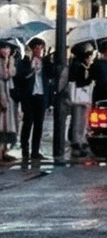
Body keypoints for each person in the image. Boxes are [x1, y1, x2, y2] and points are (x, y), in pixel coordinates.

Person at [15, 37, 57, 165]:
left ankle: (35, 150)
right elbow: (20, 77)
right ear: (32, 49)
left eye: (41, 48)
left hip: (41, 94)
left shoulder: (44, 62)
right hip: (29, 96)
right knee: (28, 123)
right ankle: (25, 149)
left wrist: (49, 62)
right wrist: (31, 67)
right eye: (37, 48)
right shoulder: (25, 62)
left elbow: (51, 75)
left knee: (39, 124)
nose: (39, 50)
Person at [66, 42, 95, 157]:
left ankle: (80, 140)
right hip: (79, 97)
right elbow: (79, 81)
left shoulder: (80, 65)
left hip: (82, 97)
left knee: (82, 120)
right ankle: (77, 141)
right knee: (78, 120)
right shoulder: (78, 66)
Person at [0, 40, 18, 161]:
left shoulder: (10, 62)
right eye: (3, 48)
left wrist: (9, 63)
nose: (5, 51)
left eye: (7, 49)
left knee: (8, 126)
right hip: (1, 94)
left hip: (9, 97)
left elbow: (11, 75)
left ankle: (5, 150)